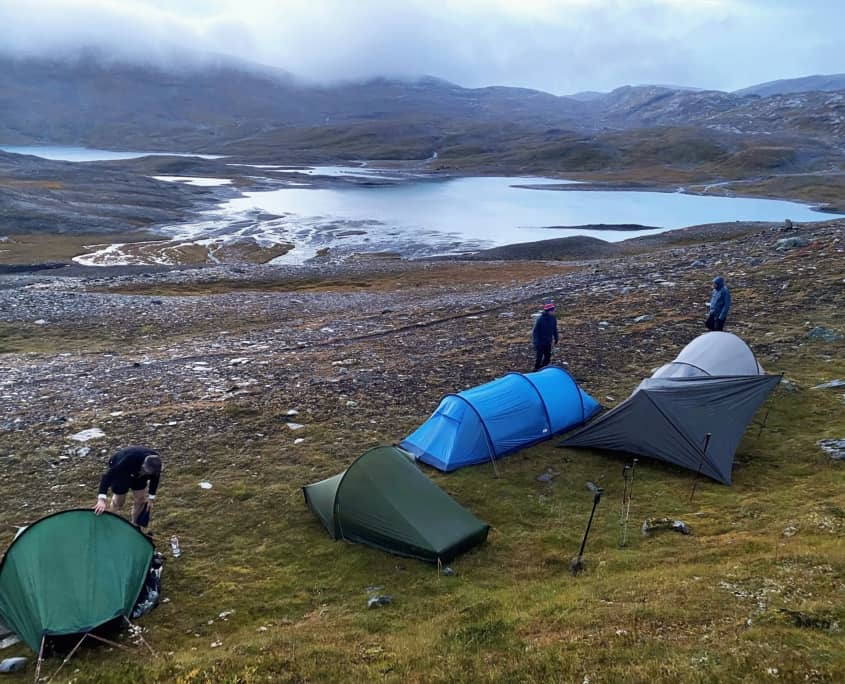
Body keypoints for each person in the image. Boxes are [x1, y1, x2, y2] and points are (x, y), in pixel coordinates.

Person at [94, 446, 162, 526]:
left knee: (140, 499)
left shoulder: (155, 464)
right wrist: (101, 499)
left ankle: (135, 525)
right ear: (143, 465)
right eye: (147, 472)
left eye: (150, 474)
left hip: (138, 474)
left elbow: (155, 479)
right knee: (119, 502)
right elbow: (107, 477)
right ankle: (109, 523)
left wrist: (151, 498)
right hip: (122, 473)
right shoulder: (127, 461)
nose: (150, 475)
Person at [532, 302, 559, 371]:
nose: (554, 312)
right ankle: (536, 369)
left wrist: (556, 337)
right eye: (553, 310)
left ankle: (543, 368)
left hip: (548, 341)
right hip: (540, 342)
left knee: (548, 357)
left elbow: (554, 328)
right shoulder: (540, 320)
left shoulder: (553, 318)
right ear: (548, 311)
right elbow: (535, 332)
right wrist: (535, 342)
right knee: (539, 357)